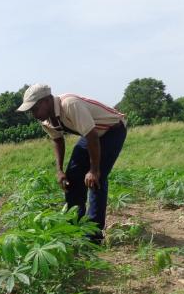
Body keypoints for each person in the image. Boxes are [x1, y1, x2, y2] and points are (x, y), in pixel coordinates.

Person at [16, 84, 127, 243]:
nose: (33, 114)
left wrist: (94, 170)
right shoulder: (46, 119)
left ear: (47, 100)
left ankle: (93, 233)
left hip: (112, 130)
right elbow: (58, 140)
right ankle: (75, 222)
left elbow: (92, 136)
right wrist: (60, 170)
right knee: (72, 176)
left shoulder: (69, 104)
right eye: (31, 110)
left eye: (35, 108)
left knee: (96, 179)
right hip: (90, 134)